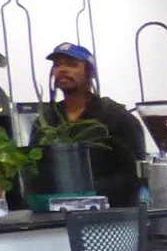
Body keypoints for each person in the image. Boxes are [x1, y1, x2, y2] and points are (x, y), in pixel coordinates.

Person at [40, 43, 150, 208]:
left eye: (71, 64)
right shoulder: (47, 120)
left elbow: (134, 176)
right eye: (57, 64)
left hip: (112, 217)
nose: (62, 69)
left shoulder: (116, 117)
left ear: (88, 72)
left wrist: (84, 191)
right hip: (56, 219)